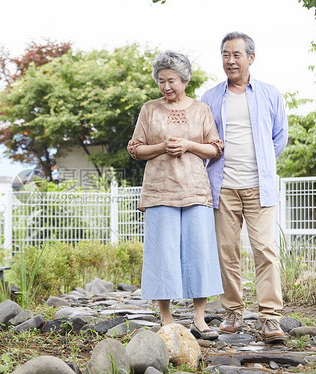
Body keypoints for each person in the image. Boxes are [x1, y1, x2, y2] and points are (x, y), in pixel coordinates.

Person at [127, 50, 223, 340]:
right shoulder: (150, 109)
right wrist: (161, 147)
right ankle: (166, 319)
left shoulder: (201, 110)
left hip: (195, 189)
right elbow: (135, 149)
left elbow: (215, 148)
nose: (166, 87)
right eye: (161, 81)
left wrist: (188, 145)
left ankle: (199, 319)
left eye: (171, 80)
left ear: (184, 80)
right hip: (159, 191)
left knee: (199, 252)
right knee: (162, 254)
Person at [201, 32, 289, 343]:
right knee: (227, 251)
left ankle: (269, 317)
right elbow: (202, 139)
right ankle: (233, 310)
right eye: (225, 54)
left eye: (237, 54)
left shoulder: (268, 94)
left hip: (258, 186)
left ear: (251, 57)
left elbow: (280, 137)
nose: (230, 60)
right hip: (222, 185)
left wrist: (263, 164)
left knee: (265, 251)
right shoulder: (210, 97)